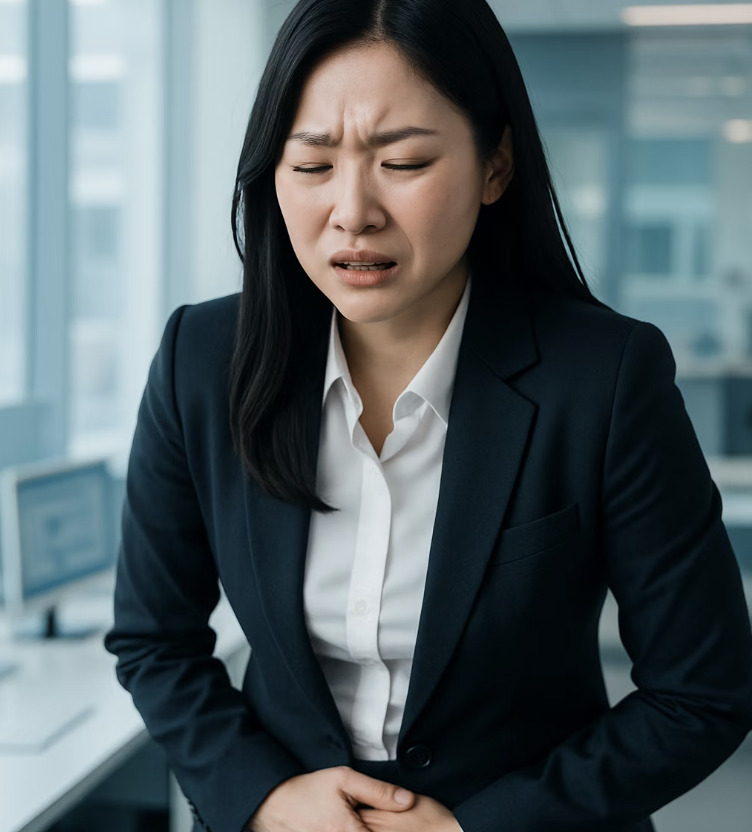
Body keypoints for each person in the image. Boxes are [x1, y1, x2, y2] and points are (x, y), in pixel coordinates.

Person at [104, 1, 752, 831]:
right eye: (311, 167)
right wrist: (264, 796)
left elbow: (701, 693)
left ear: (495, 165)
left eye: (402, 162)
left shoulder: (606, 378)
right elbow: (155, 641)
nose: (352, 211)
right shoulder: (203, 360)